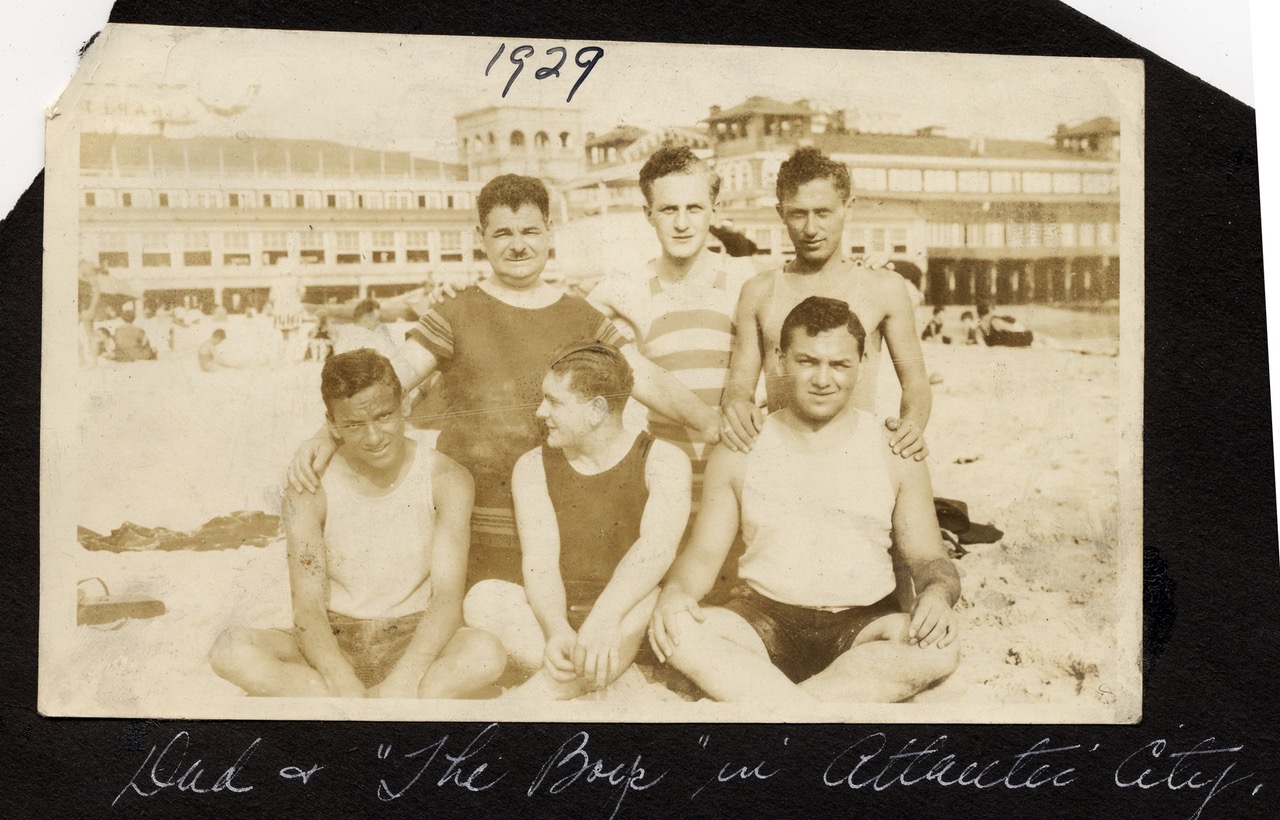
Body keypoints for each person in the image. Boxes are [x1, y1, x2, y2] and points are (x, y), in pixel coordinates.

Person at [287, 174, 719, 587]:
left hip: (558, 522)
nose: (518, 246)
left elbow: (646, 379)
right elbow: (387, 382)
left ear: (550, 232)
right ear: (481, 238)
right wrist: (324, 437)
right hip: (470, 523)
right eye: (502, 234)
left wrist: (713, 424)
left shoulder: (581, 315)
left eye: (530, 231)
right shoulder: (455, 311)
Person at [649, 296, 961, 703]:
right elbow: (702, 558)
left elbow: (928, 559)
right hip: (762, 620)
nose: (823, 379)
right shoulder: (742, 448)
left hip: (864, 627)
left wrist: (937, 594)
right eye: (807, 361)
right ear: (780, 360)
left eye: (840, 364)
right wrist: (676, 593)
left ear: (862, 363)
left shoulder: (894, 449)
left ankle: (778, 706)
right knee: (679, 631)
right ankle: (812, 708)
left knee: (940, 646)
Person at [210, 349, 506, 698]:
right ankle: (363, 701)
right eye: (353, 424)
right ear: (331, 423)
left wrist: (406, 677)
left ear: (405, 405)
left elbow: (446, 597)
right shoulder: (309, 488)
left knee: (486, 653)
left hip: (414, 632)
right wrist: (339, 678)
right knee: (230, 649)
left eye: (383, 416)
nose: (374, 437)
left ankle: (363, 701)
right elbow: (307, 605)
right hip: (335, 635)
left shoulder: (446, 478)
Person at [463, 342, 691, 698]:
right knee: (483, 598)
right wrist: (556, 630)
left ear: (596, 410)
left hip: (623, 612)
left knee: (650, 596)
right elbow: (539, 562)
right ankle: (600, 677)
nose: (540, 412)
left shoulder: (664, 460)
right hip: (561, 616)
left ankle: (541, 693)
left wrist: (604, 619)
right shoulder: (533, 465)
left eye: (554, 401)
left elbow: (655, 551)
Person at [720, 147, 932, 461]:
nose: (810, 228)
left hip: (855, 458)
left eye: (823, 212)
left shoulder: (883, 286)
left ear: (849, 208)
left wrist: (910, 428)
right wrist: (738, 406)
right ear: (781, 213)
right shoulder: (758, 291)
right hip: (783, 457)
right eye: (798, 213)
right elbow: (739, 385)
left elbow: (916, 382)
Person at [585, 145, 754, 523]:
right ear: (648, 214)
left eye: (694, 208)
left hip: (739, 480)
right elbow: (550, 317)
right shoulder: (624, 289)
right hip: (666, 487)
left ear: (716, 208)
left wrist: (872, 266)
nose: (682, 223)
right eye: (668, 209)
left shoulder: (747, 279)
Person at [333, 298, 400, 360]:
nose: (379, 323)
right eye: (377, 319)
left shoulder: (345, 333)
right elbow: (392, 356)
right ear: (366, 318)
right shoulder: (369, 336)